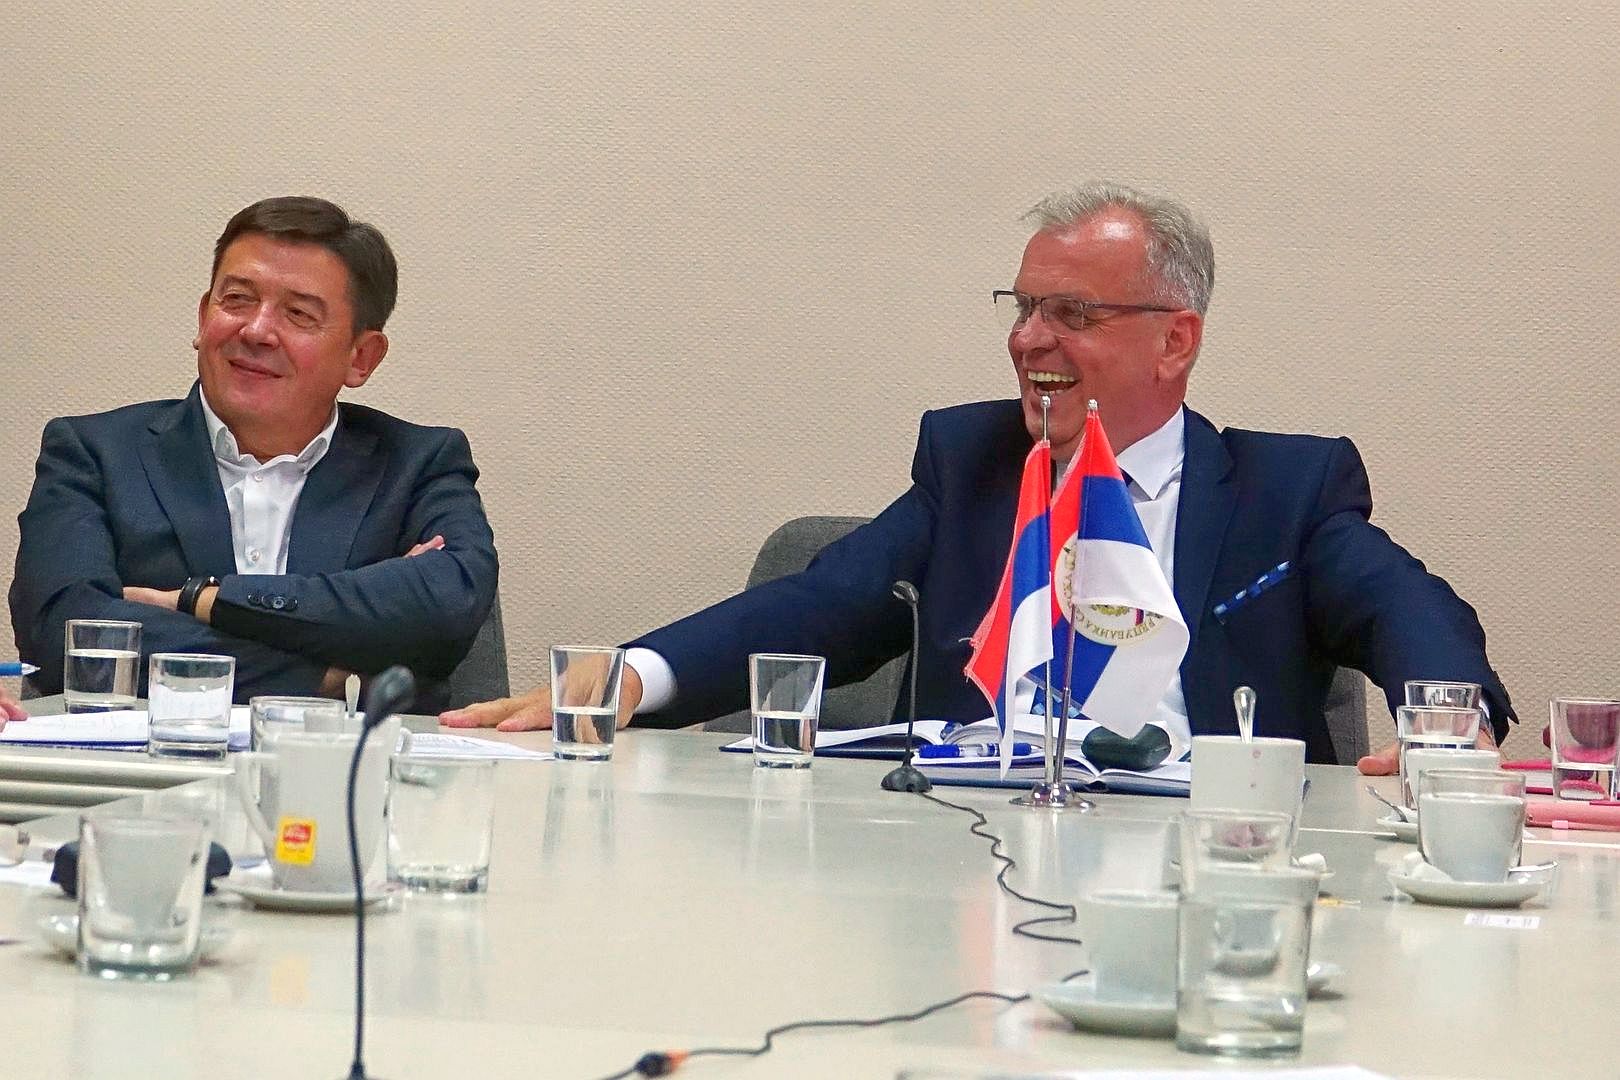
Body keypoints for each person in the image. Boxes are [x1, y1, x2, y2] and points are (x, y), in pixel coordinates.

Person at [443, 182, 1511, 766]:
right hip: (971, 860)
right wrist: (628, 677)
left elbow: (1409, 611)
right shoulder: (974, 465)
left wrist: (1444, 734)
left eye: (1072, 313)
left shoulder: (1287, 490)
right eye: (1024, 307)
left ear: (1175, 342)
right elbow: (819, 604)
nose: (1029, 339)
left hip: (1210, 864)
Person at [10, 196, 499, 712]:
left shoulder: (419, 464)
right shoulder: (93, 453)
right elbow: (65, 632)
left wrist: (201, 601)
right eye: (238, 300)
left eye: (298, 314)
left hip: (349, 764)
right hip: (146, 759)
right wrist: (326, 675)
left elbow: (449, 602)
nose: (257, 330)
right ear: (204, 317)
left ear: (361, 357)